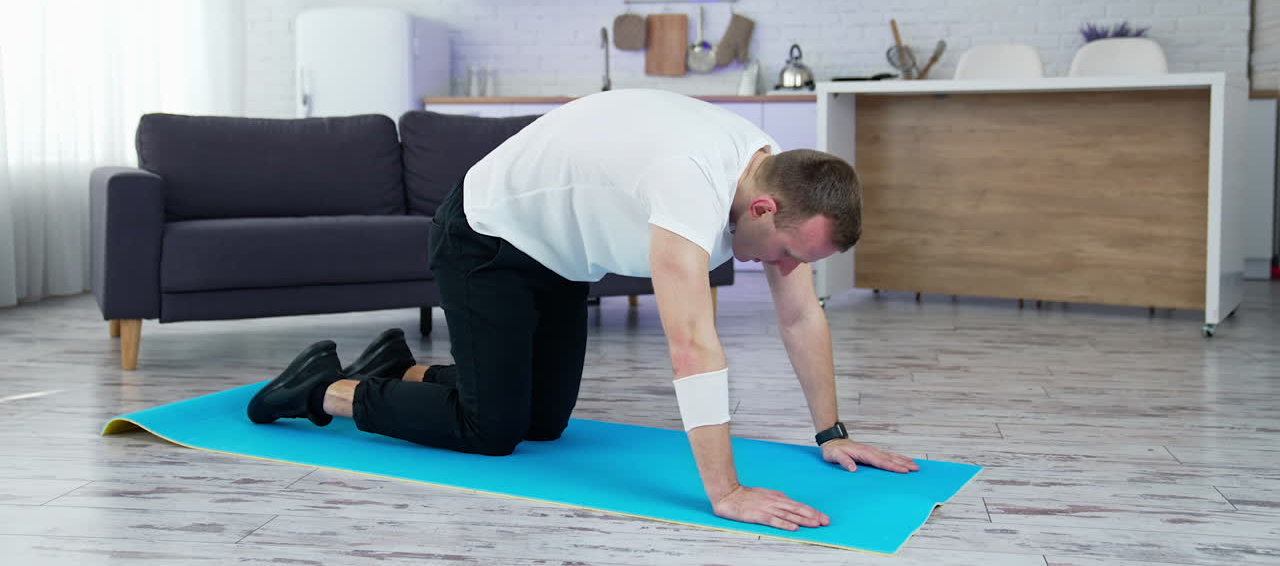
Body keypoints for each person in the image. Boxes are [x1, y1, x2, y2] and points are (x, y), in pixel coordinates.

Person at [247, 88, 918, 533]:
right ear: (766, 209)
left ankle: (399, 367)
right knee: (492, 430)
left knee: (544, 422)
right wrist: (726, 493)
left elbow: (801, 316)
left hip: (558, 258)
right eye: (786, 254)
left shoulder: (770, 175)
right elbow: (692, 346)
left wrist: (831, 432)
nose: (784, 270)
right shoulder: (694, 180)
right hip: (486, 236)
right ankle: (323, 388)